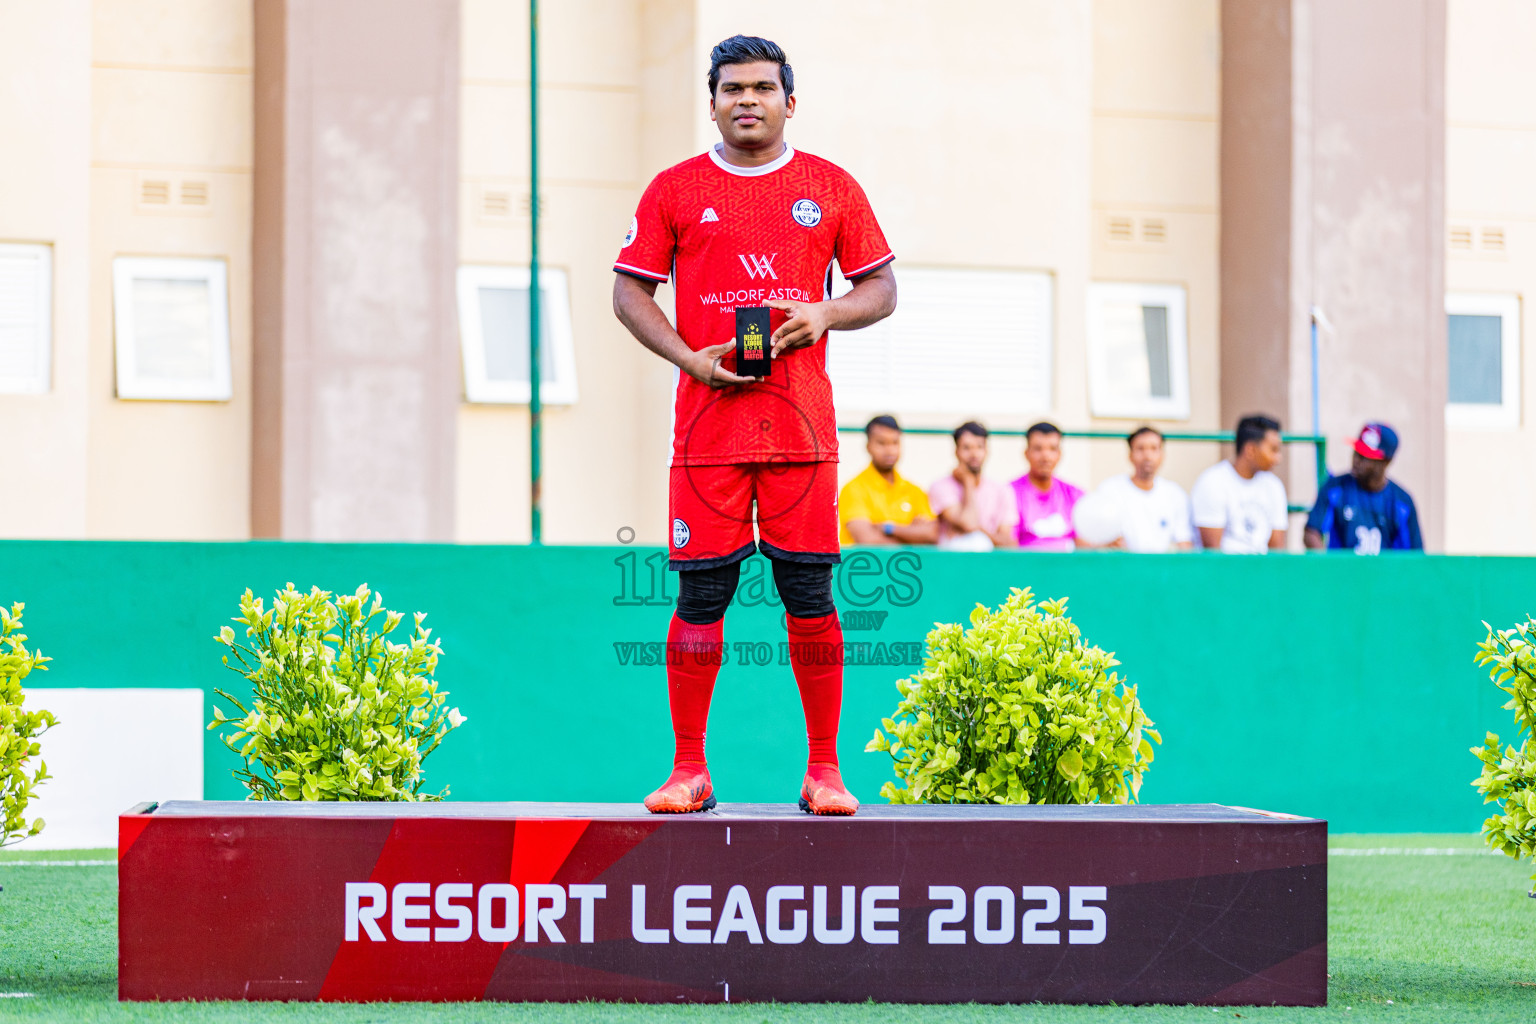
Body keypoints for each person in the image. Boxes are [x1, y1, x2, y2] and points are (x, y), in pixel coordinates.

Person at [611, 36, 896, 816]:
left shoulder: (830, 187)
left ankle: (825, 773)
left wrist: (826, 312)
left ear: (789, 101)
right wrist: (691, 360)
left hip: (803, 432)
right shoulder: (675, 189)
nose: (747, 100)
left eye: (762, 88)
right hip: (706, 435)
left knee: (810, 595)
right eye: (731, 88)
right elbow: (629, 294)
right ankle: (690, 771)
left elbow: (882, 289)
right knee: (702, 598)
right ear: (712, 102)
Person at [1304, 423, 1423, 553]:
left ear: (1386, 461)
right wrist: (1329, 567)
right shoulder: (1335, 488)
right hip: (1343, 571)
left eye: (1365, 456)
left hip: (1385, 572)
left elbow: (1415, 554)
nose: (1356, 460)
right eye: (1356, 451)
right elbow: (1311, 533)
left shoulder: (1402, 502)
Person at [1083, 426, 1193, 552]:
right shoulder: (1110, 490)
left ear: (1162, 455)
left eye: (1154, 448)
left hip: (1163, 569)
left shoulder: (1175, 494)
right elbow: (1099, 541)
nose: (1148, 456)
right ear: (1130, 455)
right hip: (1122, 567)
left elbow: (1184, 543)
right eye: (1140, 449)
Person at [1190, 415, 1288, 553]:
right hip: (1225, 572)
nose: (1278, 458)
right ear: (1250, 450)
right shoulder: (1212, 482)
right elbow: (1213, 554)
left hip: (1262, 572)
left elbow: (1276, 550)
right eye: (1273, 449)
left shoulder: (1274, 486)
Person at [838, 416, 937, 545]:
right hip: (866, 564)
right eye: (882, 443)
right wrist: (911, 534)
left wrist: (888, 528)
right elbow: (868, 540)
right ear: (868, 446)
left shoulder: (914, 491)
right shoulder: (853, 489)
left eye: (895, 442)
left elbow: (932, 535)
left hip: (906, 565)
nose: (890, 450)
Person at [927, 422, 1019, 551]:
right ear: (956, 451)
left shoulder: (1002, 490)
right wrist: (968, 481)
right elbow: (968, 523)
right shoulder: (941, 487)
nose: (974, 454)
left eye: (979, 447)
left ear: (986, 451)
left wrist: (979, 529)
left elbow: (1008, 543)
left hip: (989, 563)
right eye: (966, 448)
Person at [1010, 422, 1084, 551]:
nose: (1045, 456)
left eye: (1052, 449)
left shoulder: (1075, 494)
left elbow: (1085, 543)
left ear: (1060, 454)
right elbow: (1008, 546)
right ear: (1026, 453)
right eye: (1038, 449)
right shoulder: (1009, 494)